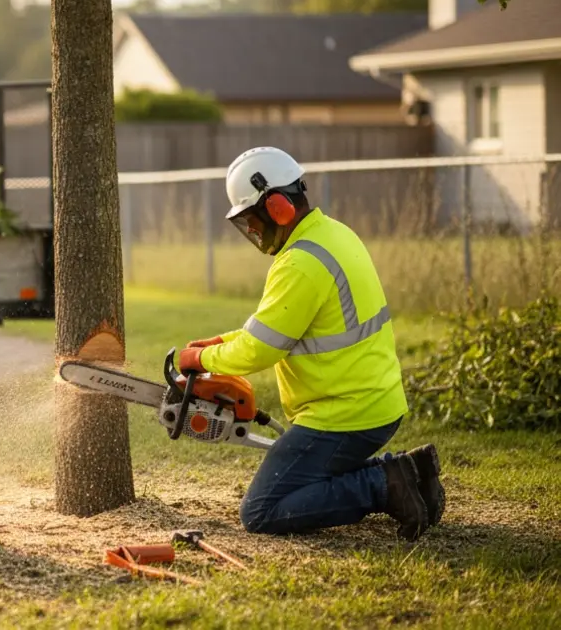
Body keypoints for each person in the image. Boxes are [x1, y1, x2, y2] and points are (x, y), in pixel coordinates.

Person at [177, 146, 444, 541]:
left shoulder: (301, 262)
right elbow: (274, 330)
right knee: (299, 482)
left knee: (262, 510)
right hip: (374, 404)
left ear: (278, 207)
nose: (252, 230)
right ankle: (412, 473)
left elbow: (260, 351)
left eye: (253, 219)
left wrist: (201, 358)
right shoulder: (332, 234)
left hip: (344, 417)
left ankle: (385, 484)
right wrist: (221, 342)